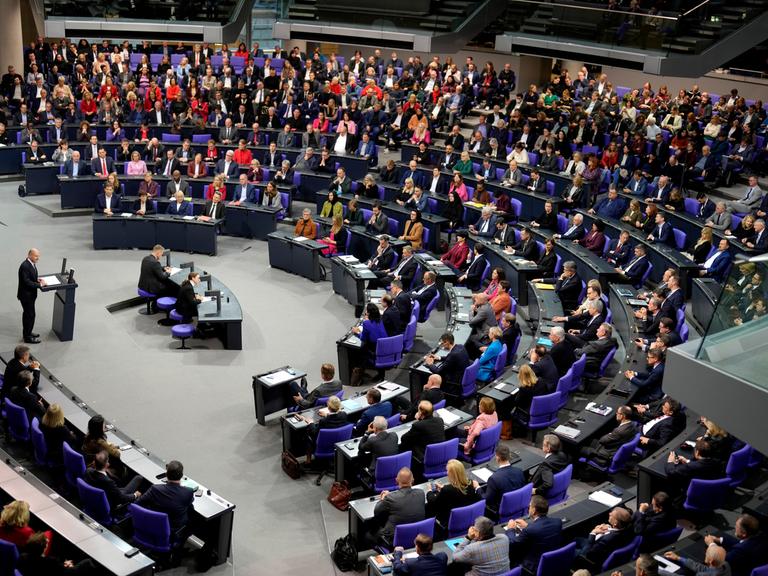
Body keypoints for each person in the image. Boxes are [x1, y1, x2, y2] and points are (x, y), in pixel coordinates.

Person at [506, 495, 563, 574]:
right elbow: (541, 530)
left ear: (534, 510)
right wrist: (528, 526)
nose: (528, 508)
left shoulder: (530, 530)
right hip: (552, 562)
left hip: (533, 567)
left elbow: (513, 543)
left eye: (529, 506)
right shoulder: (557, 522)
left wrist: (510, 529)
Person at [135, 460, 195, 535]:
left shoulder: (155, 489)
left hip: (150, 527)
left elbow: (137, 503)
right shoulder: (188, 492)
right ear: (181, 476)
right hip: (171, 531)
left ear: (166, 474)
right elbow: (189, 503)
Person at [372, 468, 426, 547]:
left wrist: (384, 498)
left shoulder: (390, 498)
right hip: (417, 536)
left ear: (396, 481)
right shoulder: (421, 493)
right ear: (413, 480)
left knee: (369, 535)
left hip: (394, 540)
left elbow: (377, 511)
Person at [427, 459, 481, 530]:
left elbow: (433, 503)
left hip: (450, 521)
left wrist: (429, 491)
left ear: (452, 474)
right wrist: (443, 488)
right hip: (467, 518)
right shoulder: (471, 483)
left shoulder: (447, 490)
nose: (447, 473)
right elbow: (458, 490)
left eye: (447, 471)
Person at [474, 445, 525, 513]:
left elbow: (486, 500)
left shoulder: (494, 478)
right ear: (509, 456)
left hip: (501, 510)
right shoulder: (519, 471)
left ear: (497, 458)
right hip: (518, 505)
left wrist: (477, 487)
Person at [424, 332, 471, 397]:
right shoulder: (460, 347)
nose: (441, 346)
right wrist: (439, 357)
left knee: (435, 378)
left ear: (447, 342)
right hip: (462, 375)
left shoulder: (453, 355)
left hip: (455, 382)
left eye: (442, 343)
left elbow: (438, 371)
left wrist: (430, 364)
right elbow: (450, 358)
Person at [17, 248, 44, 344]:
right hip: (26, 296)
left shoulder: (31, 264)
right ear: (29, 255)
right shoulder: (25, 266)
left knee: (29, 315)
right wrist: (39, 285)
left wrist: (37, 280)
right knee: (29, 315)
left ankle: (28, 332)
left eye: (38, 256)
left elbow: (30, 278)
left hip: (30, 295)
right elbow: (26, 282)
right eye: (36, 256)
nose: (38, 258)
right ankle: (27, 337)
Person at [664, 544, 731, 576]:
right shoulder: (725, 565)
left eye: (707, 554)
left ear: (711, 561)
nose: (705, 554)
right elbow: (703, 568)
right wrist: (678, 558)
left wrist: (660, 571)